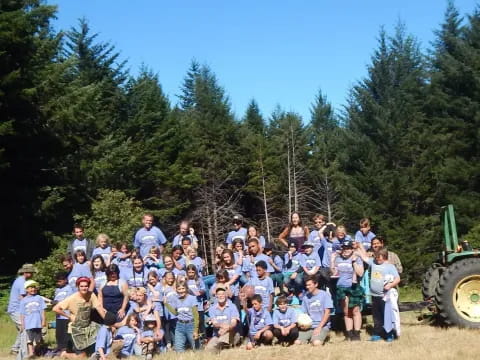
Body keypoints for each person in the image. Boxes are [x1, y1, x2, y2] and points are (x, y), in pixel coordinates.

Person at [53, 277, 112, 358]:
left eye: (86, 286)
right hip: (75, 330)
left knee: (92, 353)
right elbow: (55, 308)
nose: (84, 288)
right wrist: (69, 316)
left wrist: (108, 322)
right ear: (78, 287)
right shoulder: (72, 298)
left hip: (88, 328)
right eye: (82, 286)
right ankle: (64, 354)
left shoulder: (91, 295)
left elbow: (99, 308)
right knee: (82, 357)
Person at [356, 247, 401, 342]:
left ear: (384, 257)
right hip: (374, 296)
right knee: (376, 316)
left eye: (378, 257)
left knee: (387, 315)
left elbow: (397, 279)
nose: (376, 259)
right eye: (375, 257)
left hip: (385, 296)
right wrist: (358, 248)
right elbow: (364, 257)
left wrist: (390, 285)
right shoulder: (373, 262)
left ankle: (389, 334)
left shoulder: (390, 267)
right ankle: (377, 333)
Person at [331, 240, 364, 341]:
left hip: (353, 287)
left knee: (355, 310)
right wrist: (332, 260)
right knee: (346, 311)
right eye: (344, 248)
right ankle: (349, 333)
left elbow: (360, 273)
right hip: (341, 287)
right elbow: (334, 273)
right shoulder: (338, 258)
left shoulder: (357, 258)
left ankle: (356, 333)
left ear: (352, 249)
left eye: (348, 248)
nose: (346, 250)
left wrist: (353, 262)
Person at [296, 275, 333, 346]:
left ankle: (320, 337)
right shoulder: (305, 298)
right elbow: (304, 314)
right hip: (309, 326)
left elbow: (327, 313)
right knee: (297, 342)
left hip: (322, 326)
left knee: (316, 343)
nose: (307, 287)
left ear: (316, 284)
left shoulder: (324, 295)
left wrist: (319, 327)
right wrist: (302, 324)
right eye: (306, 285)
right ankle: (311, 337)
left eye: (309, 285)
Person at [163, 280, 199, 352]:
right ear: (176, 290)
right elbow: (176, 313)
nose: (181, 291)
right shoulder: (176, 300)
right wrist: (166, 304)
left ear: (186, 289)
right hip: (179, 325)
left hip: (190, 325)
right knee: (178, 348)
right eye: (179, 289)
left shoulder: (192, 298)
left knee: (196, 348)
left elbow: (196, 316)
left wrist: (196, 330)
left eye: (183, 288)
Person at [7, 263, 35, 355]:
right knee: (24, 328)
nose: (32, 275)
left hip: (17, 309)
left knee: (21, 330)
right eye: (31, 273)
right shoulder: (22, 282)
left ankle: (15, 349)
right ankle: (23, 350)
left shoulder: (20, 280)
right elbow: (23, 297)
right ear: (26, 272)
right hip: (16, 310)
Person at [205, 286, 241, 353]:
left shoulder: (232, 307)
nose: (221, 296)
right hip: (217, 334)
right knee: (208, 350)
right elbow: (215, 323)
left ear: (226, 295)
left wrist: (226, 329)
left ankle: (227, 347)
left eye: (223, 294)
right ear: (216, 296)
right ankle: (223, 347)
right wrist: (222, 326)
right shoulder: (212, 308)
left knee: (221, 342)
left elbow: (234, 323)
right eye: (219, 294)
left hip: (231, 333)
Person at [20, 280, 46, 358]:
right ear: (26, 289)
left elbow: (43, 311)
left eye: (34, 287)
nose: (33, 289)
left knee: (38, 341)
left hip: (38, 323)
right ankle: (31, 354)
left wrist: (44, 321)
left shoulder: (39, 298)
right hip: (28, 324)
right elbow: (22, 314)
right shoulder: (23, 300)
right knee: (29, 340)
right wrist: (22, 324)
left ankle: (36, 350)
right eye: (31, 288)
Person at [52, 272, 74, 353]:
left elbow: (69, 301)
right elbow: (56, 300)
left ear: (65, 280)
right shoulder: (57, 290)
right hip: (58, 315)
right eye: (57, 281)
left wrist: (59, 302)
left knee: (66, 333)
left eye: (60, 281)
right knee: (59, 333)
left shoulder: (69, 289)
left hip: (66, 314)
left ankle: (66, 349)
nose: (58, 283)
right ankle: (60, 347)